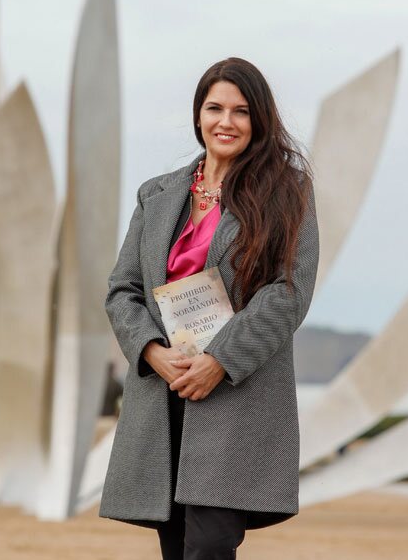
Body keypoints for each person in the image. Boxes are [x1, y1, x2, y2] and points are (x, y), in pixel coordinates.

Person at [99, 57, 320, 560]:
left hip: (235, 393)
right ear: (198, 114)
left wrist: (219, 360)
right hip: (164, 391)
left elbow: (289, 291)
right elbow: (122, 289)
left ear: (258, 119)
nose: (226, 121)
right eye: (215, 107)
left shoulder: (287, 191)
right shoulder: (156, 195)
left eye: (241, 111)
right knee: (176, 550)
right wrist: (151, 351)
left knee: (210, 548)